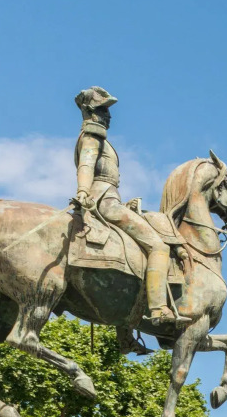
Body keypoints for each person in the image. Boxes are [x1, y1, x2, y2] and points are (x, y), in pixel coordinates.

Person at [71, 86, 177, 326]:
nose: (109, 115)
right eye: (103, 110)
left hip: (110, 198)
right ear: (90, 112)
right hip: (104, 201)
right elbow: (86, 167)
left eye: (108, 110)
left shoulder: (98, 140)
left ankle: (126, 329)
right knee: (159, 247)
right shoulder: (92, 137)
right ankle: (159, 308)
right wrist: (83, 191)